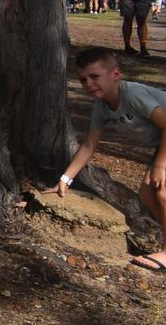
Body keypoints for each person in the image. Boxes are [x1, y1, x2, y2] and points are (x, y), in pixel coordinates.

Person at [45, 47, 166, 271]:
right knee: (148, 195)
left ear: (115, 75)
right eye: (83, 80)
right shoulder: (101, 108)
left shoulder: (133, 95)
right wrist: (65, 179)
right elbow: (89, 145)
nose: (88, 84)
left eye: (95, 77)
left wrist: (160, 164)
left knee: (161, 190)